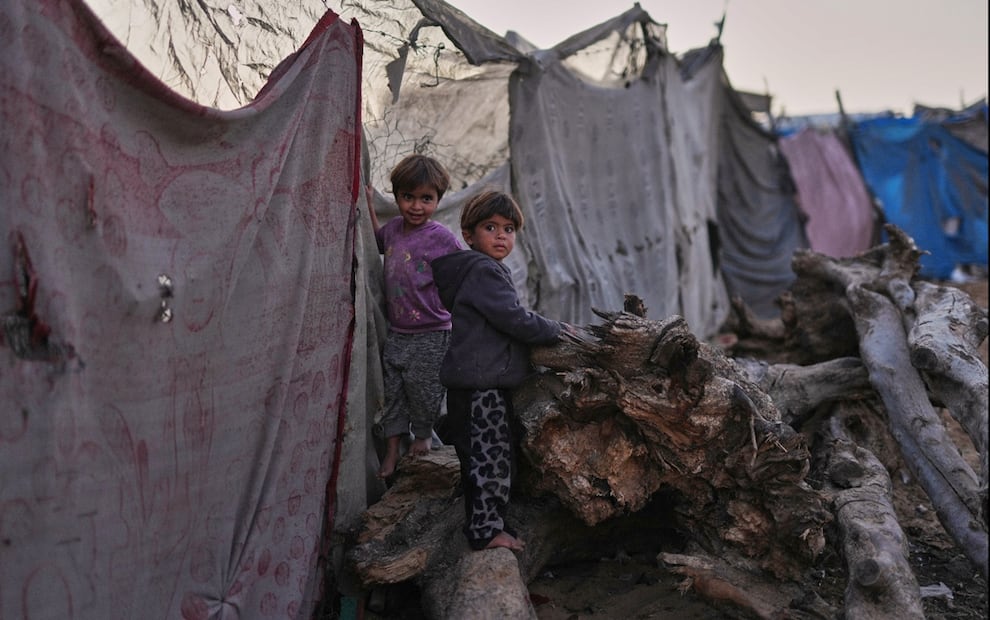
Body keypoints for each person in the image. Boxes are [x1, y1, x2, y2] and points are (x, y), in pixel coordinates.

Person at [430, 189, 570, 551]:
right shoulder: (484, 271)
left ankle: (489, 522)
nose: (501, 236)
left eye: (508, 229)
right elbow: (514, 318)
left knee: (482, 456)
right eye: (490, 227)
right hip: (481, 387)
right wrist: (557, 330)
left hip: (475, 384)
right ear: (468, 234)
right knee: (490, 459)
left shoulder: (476, 271)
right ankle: (486, 531)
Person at [366, 154, 463, 480]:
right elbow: (375, 242)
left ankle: (422, 436)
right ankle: (392, 449)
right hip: (398, 331)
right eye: (408, 197)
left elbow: (461, 272)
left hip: (432, 331)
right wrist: (368, 205)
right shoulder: (394, 229)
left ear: (438, 199)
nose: (416, 206)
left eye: (426, 198)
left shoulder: (442, 238)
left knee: (424, 390)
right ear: (396, 196)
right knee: (393, 392)